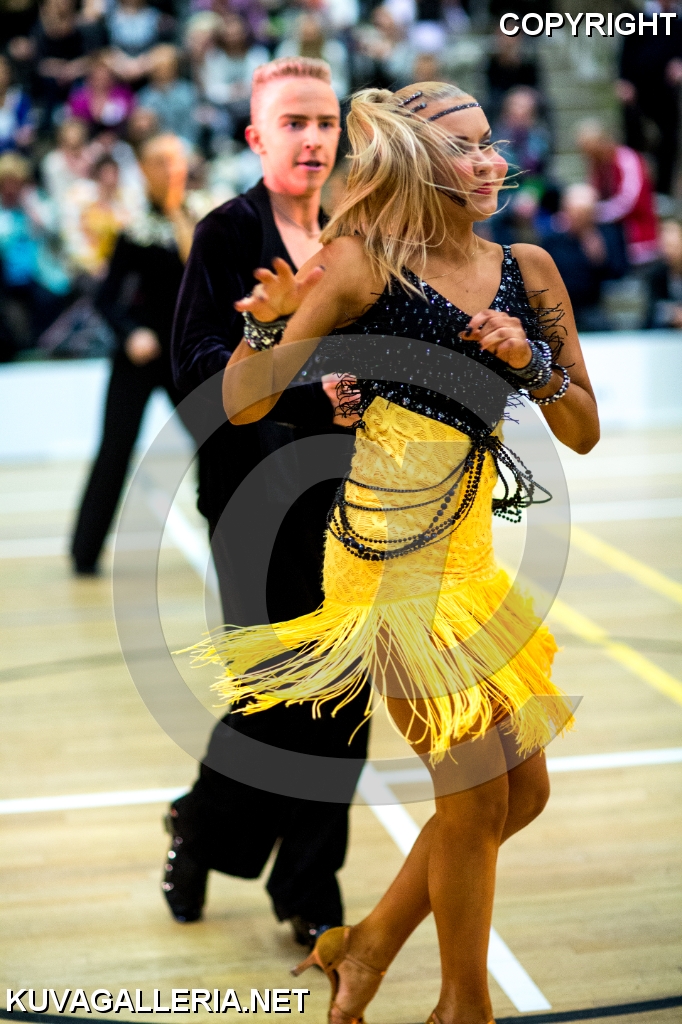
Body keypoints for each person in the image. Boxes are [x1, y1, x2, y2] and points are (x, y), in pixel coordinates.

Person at [189, 81, 599, 1024]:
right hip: (385, 567)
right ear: (416, 161)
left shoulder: (528, 269)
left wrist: (527, 362)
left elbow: (582, 431)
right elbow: (243, 404)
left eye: (490, 141)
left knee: (521, 793)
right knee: (474, 801)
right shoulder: (359, 265)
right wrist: (268, 325)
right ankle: (463, 1009)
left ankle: (366, 947)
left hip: (472, 568)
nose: (490, 160)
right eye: (465, 147)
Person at [169, 56, 370, 949]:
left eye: (325, 122)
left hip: (353, 494)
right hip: (252, 495)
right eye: (294, 122)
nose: (313, 138)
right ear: (257, 137)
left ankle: (309, 885)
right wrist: (298, 386)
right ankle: (200, 825)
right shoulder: (226, 233)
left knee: (348, 693)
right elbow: (196, 370)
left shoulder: (360, 232)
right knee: (276, 694)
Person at [70, 134, 196, 574]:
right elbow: (106, 298)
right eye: (160, 161)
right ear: (142, 170)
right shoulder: (134, 228)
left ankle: (229, 535)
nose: (171, 169)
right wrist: (131, 333)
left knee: (217, 443)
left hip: (186, 358)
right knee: (115, 448)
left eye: (176, 160)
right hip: (138, 358)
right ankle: (84, 552)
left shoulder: (203, 223)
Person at [617, 0, 682, 197]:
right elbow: (625, 51)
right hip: (637, 90)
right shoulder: (637, 18)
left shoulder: (678, 20)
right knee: (632, 140)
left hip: (667, 90)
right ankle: (631, 189)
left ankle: (663, 191)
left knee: (668, 139)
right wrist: (624, 80)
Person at [541, 183, 627, 332]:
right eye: (574, 212)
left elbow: (618, 273)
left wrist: (600, 259)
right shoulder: (553, 240)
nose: (578, 217)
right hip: (558, 307)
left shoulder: (607, 236)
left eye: (584, 213)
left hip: (593, 307)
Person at [577, 119, 659, 268]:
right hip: (613, 232)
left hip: (636, 233)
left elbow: (630, 201)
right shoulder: (597, 165)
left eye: (593, 151)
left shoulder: (627, 159)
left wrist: (597, 213)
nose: (590, 157)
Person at [137, 44, 200, 147]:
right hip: (155, 147)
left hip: (184, 144)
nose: (162, 71)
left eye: (166, 67)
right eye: (158, 68)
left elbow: (191, 126)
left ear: (174, 68)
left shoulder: (187, 93)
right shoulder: (144, 97)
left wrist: (184, 145)